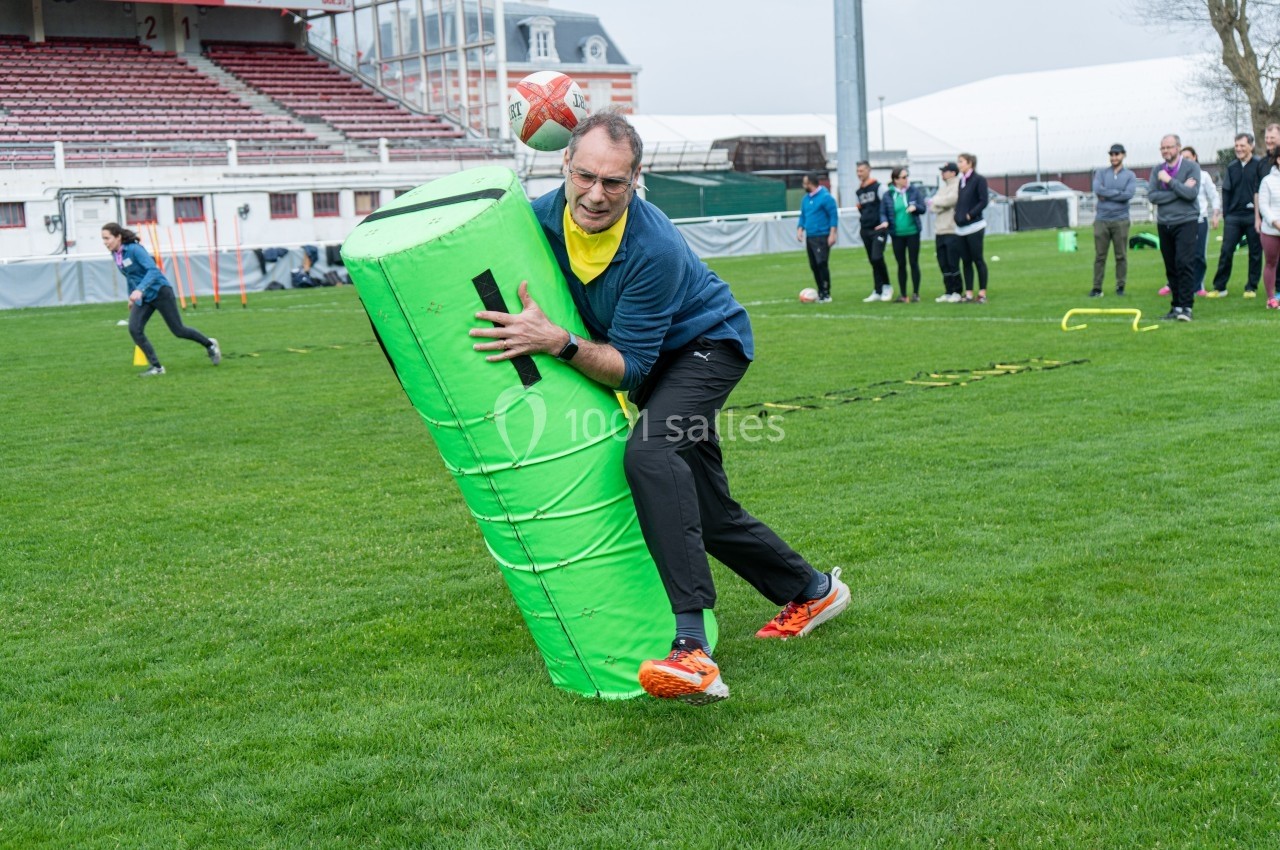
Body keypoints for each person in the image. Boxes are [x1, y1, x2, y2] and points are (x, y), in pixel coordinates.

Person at [469, 111, 849, 706]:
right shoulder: (538, 216)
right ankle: (813, 589)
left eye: (614, 183)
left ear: (636, 179)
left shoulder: (655, 247)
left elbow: (633, 367)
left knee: (649, 454)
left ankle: (691, 648)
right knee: (705, 509)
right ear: (565, 165)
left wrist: (559, 343)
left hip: (706, 347)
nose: (596, 194)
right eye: (586, 176)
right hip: (650, 357)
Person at [103, 222, 220, 375]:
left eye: (107, 238)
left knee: (178, 330)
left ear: (118, 237)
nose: (105, 243)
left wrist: (139, 289)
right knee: (134, 329)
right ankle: (157, 367)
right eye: (103, 239)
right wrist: (131, 297)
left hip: (160, 292)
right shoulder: (116, 254)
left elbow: (153, 270)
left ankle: (209, 344)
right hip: (144, 296)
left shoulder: (134, 249)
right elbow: (130, 276)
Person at [1148, 134, 1201, 321]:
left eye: (1169, 147)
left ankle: (1187, 307)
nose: (1166, 151)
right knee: (1171, 266)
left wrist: (1170, 182)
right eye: (1163, 148)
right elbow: (1152, 196)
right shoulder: (1157, 170)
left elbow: (1191, 194)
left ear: (1178, 147)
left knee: (1184, 263)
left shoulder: (1191, 167)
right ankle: (1176, 306)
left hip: (1186, 221)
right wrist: (1177, 191)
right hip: (1165, 223)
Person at [1207, 132, 1265, 298]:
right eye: (1236, 146)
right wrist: (1226, 213)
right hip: (1234, 216)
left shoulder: (1259, 165)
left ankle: (1251, 287)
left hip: (1253, 216)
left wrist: (1260, 215)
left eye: (1242, 145)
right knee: (1226, 250)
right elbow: (1226, 190)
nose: (1238, 149)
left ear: (1251, 146)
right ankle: (1220, 287)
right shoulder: (1232, 167)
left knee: (1255, 252)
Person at [1090, 143, 1136, 297]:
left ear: (1123, 155)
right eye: (1111, 154)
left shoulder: (1129, 175)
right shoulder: (1101, 173)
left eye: (1117, 154)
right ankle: (1097, 288)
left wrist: (1108, 194)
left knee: (1121, 255)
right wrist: (1118, 193)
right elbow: (1098, 189)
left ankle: (1120, 287)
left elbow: (1128, 194)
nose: (1114, 157)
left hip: (1121, 220)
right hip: (1102, 220)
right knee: (1100, 256)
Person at [876, 166, 927, 302]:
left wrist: (915, 207)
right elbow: (883, 212)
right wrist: (885, 221)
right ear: (895, 179)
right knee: (901, 264)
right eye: (903, 177)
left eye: (907, 176)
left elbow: (923, 208)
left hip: (913, 232)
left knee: (914, 262)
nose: (906, 180)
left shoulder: (914, 191)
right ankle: (903, 294)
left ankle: (916, 293)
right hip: (897, 234)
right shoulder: (888, 195)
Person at [1181, 145, 1220, 297]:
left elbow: (1213, 195)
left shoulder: (1203, 176)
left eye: (1188, 158)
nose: (1185, 161)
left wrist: (1216, 214)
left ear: (1195, 157)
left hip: (1199, 220)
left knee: (1199, 255)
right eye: (1182, 158)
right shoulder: (1179, 177)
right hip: (1182, 221)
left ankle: (1198, 286)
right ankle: (1177, 284)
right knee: (1182, 255)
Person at [796, 172, 839, 303]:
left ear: (811, 183)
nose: (803, 185)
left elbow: (833, 216)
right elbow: (803, 216)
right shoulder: (805, 199)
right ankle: (820, 291)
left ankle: (826, 292)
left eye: (805, 182)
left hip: (822, 236)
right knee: (814, 265)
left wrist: (832, 234)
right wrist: (800, 229)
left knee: (822, 263)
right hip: (811, 236)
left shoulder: (826, 197)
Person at [853, 161, 892, 301]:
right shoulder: (858, 191)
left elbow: (887, 204)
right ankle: (878, 289)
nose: (859, 174)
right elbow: (861, 208)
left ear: (869, 170)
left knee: (877, 257)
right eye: (857, 171)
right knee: (872, 260)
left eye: (861, 170)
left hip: (878, 228)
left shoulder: (878, 187)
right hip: (866, 229)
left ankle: (887, 285)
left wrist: (885, 222)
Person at [954, 152, 990, 302]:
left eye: (961, 161)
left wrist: (970, 214)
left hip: (975, 226)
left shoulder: (978, 179)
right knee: (966, 260)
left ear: (970, 163)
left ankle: (982, 292)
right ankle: (968, 293)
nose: (959, 164)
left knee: (977, 259)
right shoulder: (961, 181)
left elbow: (983, 201)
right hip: (961, 228)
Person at [930, 162, 963, 302]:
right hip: (940, 230)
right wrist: (939, 203)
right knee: (943, 262)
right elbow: (933, 207)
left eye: (945, 171)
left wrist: (938, 202)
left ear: (953, 172)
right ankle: (948, 291)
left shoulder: (957, 185)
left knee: (953, 262)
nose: (942, 173)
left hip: (952, 229)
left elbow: (952, 200)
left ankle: (957, 291)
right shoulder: (943, 188)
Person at [1257, 145, 1280, 309]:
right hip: (1271, 230)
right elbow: (1263, 206)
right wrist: (1276, 222)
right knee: (1271, 262)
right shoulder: (1268, 181)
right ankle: (1271, 298)